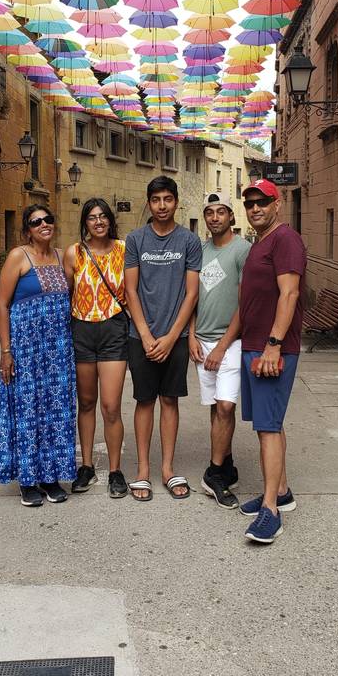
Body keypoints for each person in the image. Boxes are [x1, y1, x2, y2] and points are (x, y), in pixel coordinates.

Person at [124, 176, 202, 501]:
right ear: (148, 202)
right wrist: (144, 334)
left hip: (176, 337)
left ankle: (167, 469)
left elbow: (192, 292)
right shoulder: (135, 239)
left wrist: (172, 337)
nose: (161, 206)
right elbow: (130, 289)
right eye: (156, 199)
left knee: (169, 400)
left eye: (167, 199)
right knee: (144, 400)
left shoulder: (189, 241)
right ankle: (143, 470)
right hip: (140, 336)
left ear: (176, 202)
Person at [238, 179, 306, 544]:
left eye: (261, 202)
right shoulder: (259, 242)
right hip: (255, 346)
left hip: (271, 348)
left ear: (277, 204)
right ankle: (281, 490)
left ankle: (271, 511)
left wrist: (274, 345)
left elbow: (290, 292)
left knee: (267, 427)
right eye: (249, 204)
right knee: (270, 422)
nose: (254, 209)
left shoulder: (285, 240)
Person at [0, 205, 76, 508]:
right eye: (36, 222)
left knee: (56, 411)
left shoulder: (61, 256)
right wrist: (6, 351)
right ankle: (27, 480)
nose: (44, 224)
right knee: (28, 411)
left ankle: (51, 476)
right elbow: (2, 305)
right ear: (27, 230)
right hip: (26, 351)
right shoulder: (18, 256)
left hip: (57, 350)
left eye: (48, 219)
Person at [189, 193, 251, 509]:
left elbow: (244, 304)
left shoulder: (242, 250)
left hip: (231, 343)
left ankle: (213, 474)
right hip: (203, 342)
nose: (215, 217)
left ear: (230, 216)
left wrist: (223, 347)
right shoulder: (200, 251)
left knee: (226, 407)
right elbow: (193, 299)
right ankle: (226, 464)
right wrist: (191, 336)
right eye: (209, 212)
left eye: (221, 212)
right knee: (216, 407)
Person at [63, 198, 129, 499]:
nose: (98, 222)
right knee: (86, 403)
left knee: (111, 406)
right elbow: (64, 295)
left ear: (110, 220)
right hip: (82, 330)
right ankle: (86, 466)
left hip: (114, 329)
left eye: (103, 216)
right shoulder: (74, 252)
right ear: (85, 223)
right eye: (92, 218)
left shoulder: (123, 250)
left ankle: (115, 470)